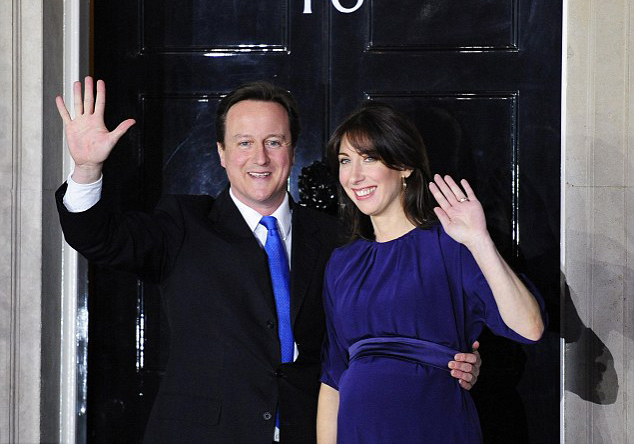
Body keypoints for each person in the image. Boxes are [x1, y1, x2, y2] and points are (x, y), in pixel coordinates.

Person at [54, 78, 481, 443]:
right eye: (244, 143)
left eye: (273, 142)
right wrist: (87, 169)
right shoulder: (182, 223)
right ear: (221, 153)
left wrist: (456, 358)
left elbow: (383, 327)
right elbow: (100, 239)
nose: (259, 158)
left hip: (311, 430)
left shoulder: (340, 239)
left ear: (292, 150)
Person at [316, 102, 546, 444]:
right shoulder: (342, 263)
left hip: (433, 423)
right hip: (358, 430)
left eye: (369, 158)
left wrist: (479, 241)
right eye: (345, 161)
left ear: (405, 165)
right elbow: (333, 377)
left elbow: (529, 327)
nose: (354, 176)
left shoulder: (450, 245)